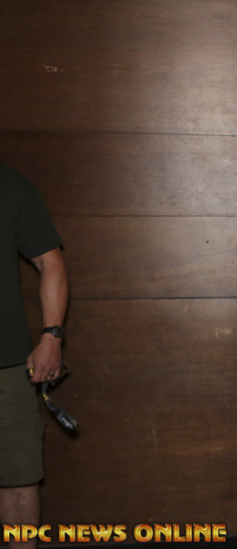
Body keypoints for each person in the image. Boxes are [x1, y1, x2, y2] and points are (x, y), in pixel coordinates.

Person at [1, 164, 68, 549]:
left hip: (6, 366)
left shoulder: (10, 187)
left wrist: (51, 336)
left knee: (18, 477)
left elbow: (50, 261)